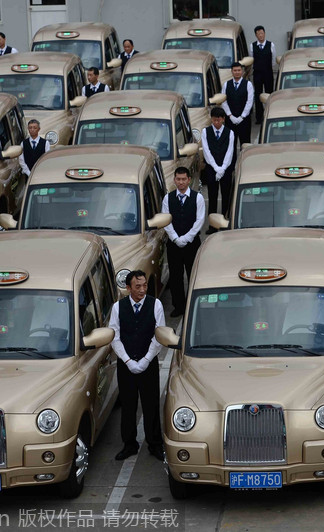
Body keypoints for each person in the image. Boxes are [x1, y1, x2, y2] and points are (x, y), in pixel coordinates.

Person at [109, 270, 166, 461]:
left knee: (151, 405)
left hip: (148, 364)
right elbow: (115, 337)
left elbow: (159, 336)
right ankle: (129, 444)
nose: (142, 290)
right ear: (128, 288)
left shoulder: (156, 304)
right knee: (128, 405)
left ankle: (155, 444)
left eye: (145, 285)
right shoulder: (118, 307)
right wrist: (128, 361)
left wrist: (145, 360)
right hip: (126, 366)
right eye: (138, 286)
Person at [162, 167, 206, 317]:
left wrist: (186, 238)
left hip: (192, 244)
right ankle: (179, 306)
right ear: (174, 180)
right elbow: (166, 220)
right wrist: (175, 238)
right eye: (178, 179)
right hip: (173, 244)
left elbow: (199, 220)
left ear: (189, 180)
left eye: (183, 179)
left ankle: (192, 305)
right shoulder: (168, 198)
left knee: (193, 274)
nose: (181, 182)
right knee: (175, 276)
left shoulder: (198, 198)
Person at [201, 107, 235, 219]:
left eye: (219, 120)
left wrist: (223, 168)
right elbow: (206, 152)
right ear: (211, 119)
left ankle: (225, 218)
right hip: (211, 169)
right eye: (214, 120)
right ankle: (212, 221)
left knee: (226, 195)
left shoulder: (230, 133)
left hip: (226, 169)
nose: (216, 122)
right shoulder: (205, 132)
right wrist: (216, 167)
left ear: (223, 119)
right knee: (212, 195)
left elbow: (229, 152)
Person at [222, 62, 254, 145]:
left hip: (244, 120)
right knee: (230, 144)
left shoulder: (248, 84)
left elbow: (249, 102)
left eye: (239, 70)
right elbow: (224, 101)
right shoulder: (226, 84)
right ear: (232, 71)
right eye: (235, 70)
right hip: (230, 120)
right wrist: (230, 116)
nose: (237, 72)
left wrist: (242, 116)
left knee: (245, 143)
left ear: (242, 71)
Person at [250, 25, 275, 124]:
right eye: (258, 34)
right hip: (257, 73)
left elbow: (273, 60)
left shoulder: (271, 45)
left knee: (269, 93)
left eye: (262, 33)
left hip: (268, 73)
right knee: (258, 94)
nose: (261, 35)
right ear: (256, 35)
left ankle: (270, 114)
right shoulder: (252, 46)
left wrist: (268, 67)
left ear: (264, 33)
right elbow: (252, 59)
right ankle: (259, 117)